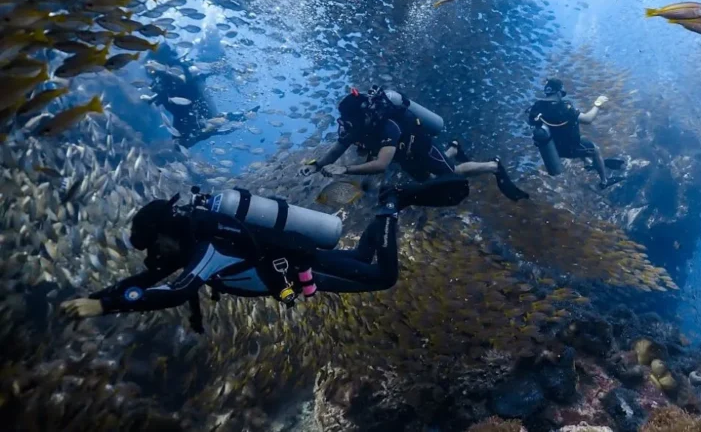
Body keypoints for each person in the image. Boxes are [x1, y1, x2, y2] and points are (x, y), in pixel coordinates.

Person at [59, 178, 469, 326]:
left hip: (301, 271)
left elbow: (177, 293)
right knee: (362, 258)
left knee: (383, 277)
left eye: (155, 244)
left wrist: (105, 307)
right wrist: (99, 299)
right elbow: (148, 279)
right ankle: (388, 205)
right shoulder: (190, 245)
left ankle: (390, 204)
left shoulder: (208, 246)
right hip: (297, 265)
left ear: (165, 232)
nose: (157, 254)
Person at [299, 86, 528, 201]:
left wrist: (346, 169)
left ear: (363, 116)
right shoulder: (357, 126)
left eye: (351, 120)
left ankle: (493, 166)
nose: (349, 125)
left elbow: (381, 164)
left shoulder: (388, 125)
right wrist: (317, 165)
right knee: (428, 182)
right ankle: (454, 148)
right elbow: (337, 149)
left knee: (452, 174)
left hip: (421, 147)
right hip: (405, 157)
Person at [526, 78, 624, 189]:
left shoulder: (537, 107)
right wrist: (598, 104)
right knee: (595, 150)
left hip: (552, 148)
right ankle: (604, 182)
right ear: (559, 92)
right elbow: (588, 119)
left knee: (580, 138)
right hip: (568, 149)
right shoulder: (564, 108)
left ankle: (587, 163)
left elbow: (533, 122)